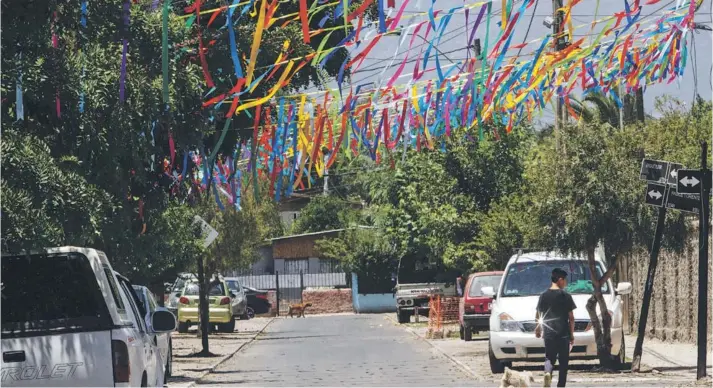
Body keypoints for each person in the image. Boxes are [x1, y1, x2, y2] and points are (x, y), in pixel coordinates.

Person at [535, 268, 576, 387]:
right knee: (563, 362)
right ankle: (560, 385)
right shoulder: (566, 296)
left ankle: (548, 373)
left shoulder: (543, 296)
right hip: (563, 334)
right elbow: (571, 318)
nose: (566, 283)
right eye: (565, 281)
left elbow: (538, 314)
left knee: (549, 358)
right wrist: (572, 335)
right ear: (560, 280)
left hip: (548, 334)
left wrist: (537, 329)